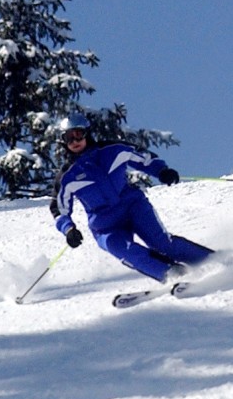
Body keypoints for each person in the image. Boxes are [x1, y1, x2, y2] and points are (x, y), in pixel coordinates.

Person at [51, 112, 212, 282]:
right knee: (120, 248)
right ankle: (171, 274)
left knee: (161, 243)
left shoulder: (113, 150)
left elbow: (143, 158)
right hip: (105, 225)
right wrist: (68, 229)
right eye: (68, 138)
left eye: (78, 134)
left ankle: (212, 260)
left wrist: (162, 171)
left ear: (87, 134)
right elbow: (59, 208)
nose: (74, 142)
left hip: (133, 207)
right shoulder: (67, 176)